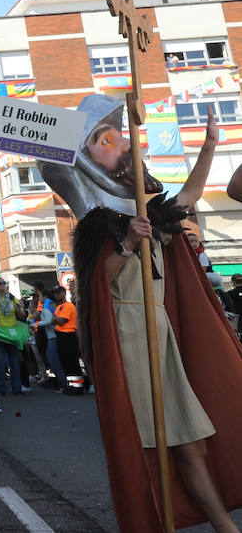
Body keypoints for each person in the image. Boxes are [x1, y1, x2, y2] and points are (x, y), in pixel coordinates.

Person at [71, 108, 242, 532]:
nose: (123, 146)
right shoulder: (97, 222)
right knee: (156, 446)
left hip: (161, 333)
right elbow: (97, 281)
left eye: (121, 138)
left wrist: (209, 145)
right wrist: (128, 242)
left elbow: (190, 196)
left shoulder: (150, 213)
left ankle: (226, 527)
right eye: (104, 141)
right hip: (129, 337)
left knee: (191, 442)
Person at [0, 277, 27, 398]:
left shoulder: (12, 298)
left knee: (15, 362)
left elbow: (22, 315)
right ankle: (0, 388)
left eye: (4, 283)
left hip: (12, 334)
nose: (2, 286)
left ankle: (17, 388)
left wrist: (19, 307)